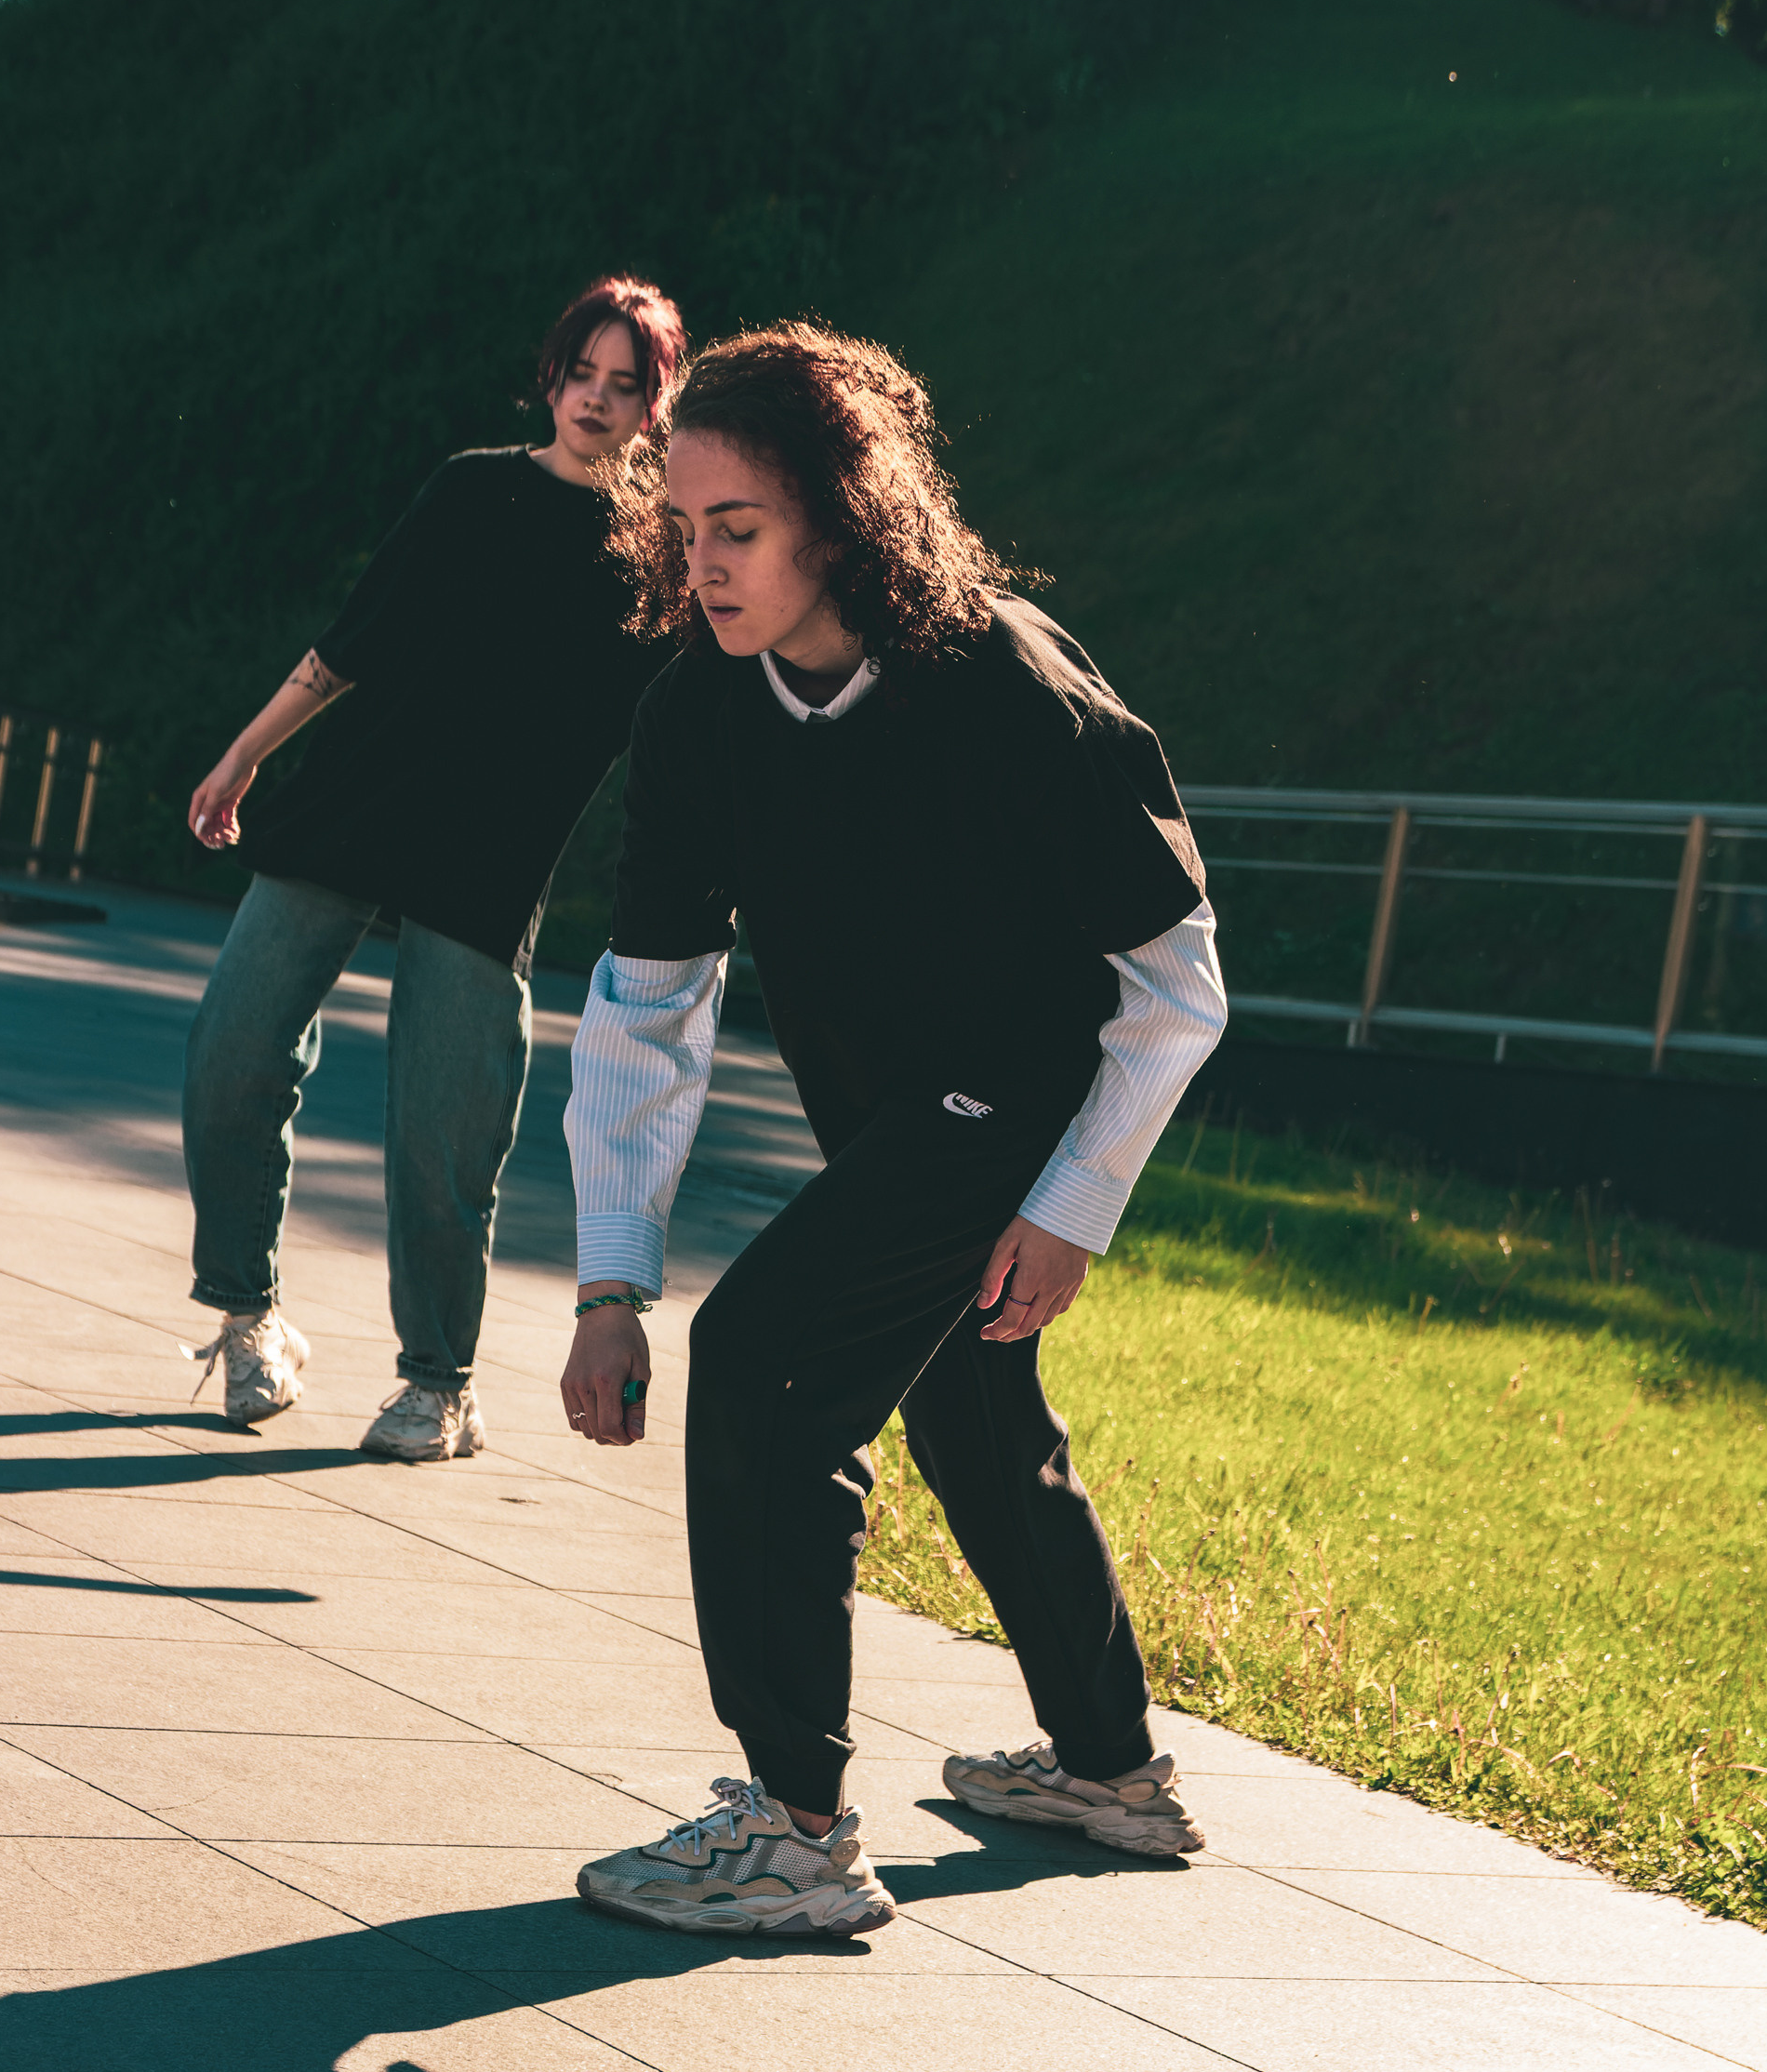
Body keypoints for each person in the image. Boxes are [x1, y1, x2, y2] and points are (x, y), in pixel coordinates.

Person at [558, 324, 1228, 1934]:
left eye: (741, 530)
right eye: (685, 528)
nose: (705, 565)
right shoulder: (700, 713)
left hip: (1029, 1090)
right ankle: (1112, 1770)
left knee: (775, 1361)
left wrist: (1073, 1205)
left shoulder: (1003, 685)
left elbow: (1178, 979)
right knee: (970, 1416)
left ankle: (794, 1826)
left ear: (841, 520)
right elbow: (648, 1000)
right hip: (893, 1121)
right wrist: (604, 1279)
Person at [179, 275, 686, 1455]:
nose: (595, 402)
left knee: (445, 1135)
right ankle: (249, 1318)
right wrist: (243, 756)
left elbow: (682, 723)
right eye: (582, 374)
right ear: (552, 372)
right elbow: (351, 643)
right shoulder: (471, 486)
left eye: (626, 386)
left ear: (653, 407)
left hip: (488, 859)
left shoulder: (658, 554)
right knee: (232, 1053)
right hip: (353, 807)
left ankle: (439, 1383)